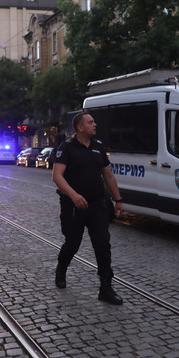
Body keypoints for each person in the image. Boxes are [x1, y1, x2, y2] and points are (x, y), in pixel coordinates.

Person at [52, 112, 125, 305]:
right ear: (80, 127)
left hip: (97, 205)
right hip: (73, 206)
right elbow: (57, 176)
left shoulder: (98, 147)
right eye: (90, 122)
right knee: (72, 243)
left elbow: (108, 176)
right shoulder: (66, 147)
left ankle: (106, 287)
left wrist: (118, 199)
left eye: (94, 121)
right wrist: (74, 196)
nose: (95, 124)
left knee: (103, 244)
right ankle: (61, 267)